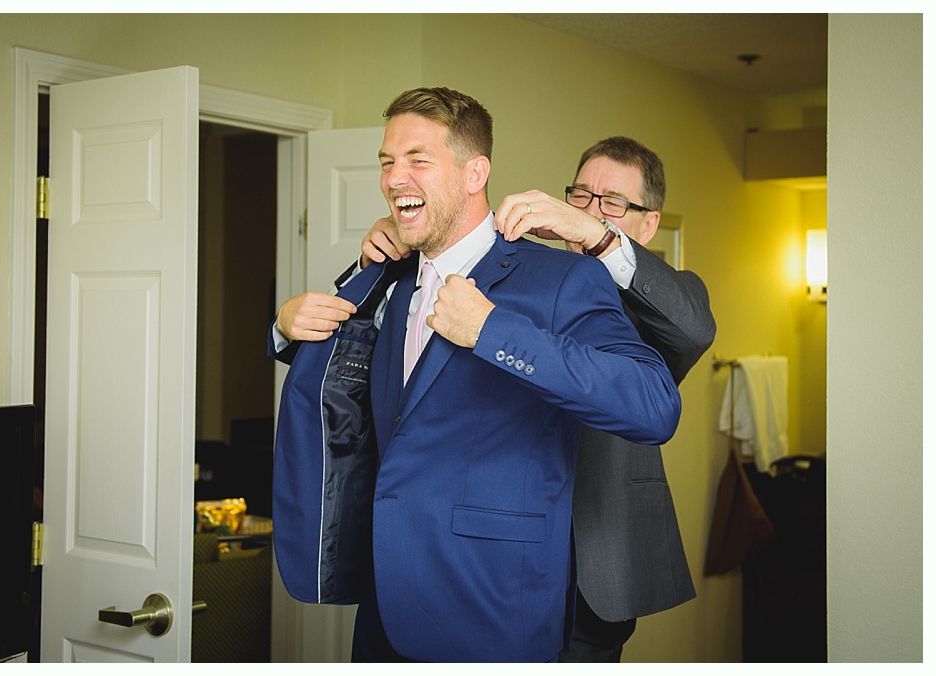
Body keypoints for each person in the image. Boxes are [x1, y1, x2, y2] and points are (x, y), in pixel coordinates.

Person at [271, 88, 681, 662]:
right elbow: (349, 379)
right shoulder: (387, 276)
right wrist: (286, 328)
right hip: (383, 604)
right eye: (388, 162)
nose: (394, 178)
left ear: (474, 173)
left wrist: (493, 333)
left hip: (492, 609)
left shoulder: (561, 279)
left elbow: (653, 404)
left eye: (418, 159)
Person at [363, 136, 716, 661]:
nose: (591, 211)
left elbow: (692, 331)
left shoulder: (663, 295)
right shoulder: (532, 280)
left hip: (600, 550)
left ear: (648, 223)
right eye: (581, 197)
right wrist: (398, 246)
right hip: (498, 556)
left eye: (613, 203)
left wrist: (598, 238)